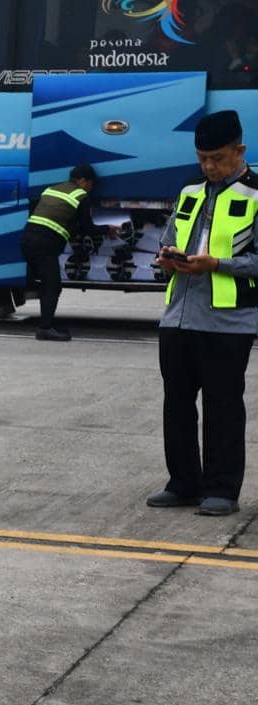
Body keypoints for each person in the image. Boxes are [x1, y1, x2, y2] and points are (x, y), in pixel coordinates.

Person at [147, 110, 258, 517]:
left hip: (227, 321)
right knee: (176, 403)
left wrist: (218, 265)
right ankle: (183, 483)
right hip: (177, 316)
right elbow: (168, 238)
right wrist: (167, 257)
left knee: (223, 405)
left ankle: (222, 489)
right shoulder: (190, 192)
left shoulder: (255, 194)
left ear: (240, 150)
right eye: (202, 158)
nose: (209, 166)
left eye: (218, 158)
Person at [20, 164, 111, 341]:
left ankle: (47, 321)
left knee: (43, 282)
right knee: (52, 286)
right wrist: (108, 229)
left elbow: (53, 217)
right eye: (91, 184)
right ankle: (44, 328)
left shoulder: (51, 189)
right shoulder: (81, 196)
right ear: (83, 181)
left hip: (27, 240)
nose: (91, 188)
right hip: (44, 245)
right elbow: (88, 228)